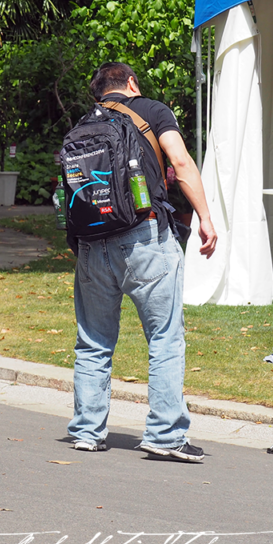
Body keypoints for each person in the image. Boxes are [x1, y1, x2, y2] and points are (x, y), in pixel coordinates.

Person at [67, 62, 218, 462]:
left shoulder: (83, 123)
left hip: (92, 244)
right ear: (131, 83)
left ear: (98, 93)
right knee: (165, 338)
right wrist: (204, 217)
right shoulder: (151, 110)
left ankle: (86, 431)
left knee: (93, 342)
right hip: (144, 239)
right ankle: (165, 436)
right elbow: (181, 163)